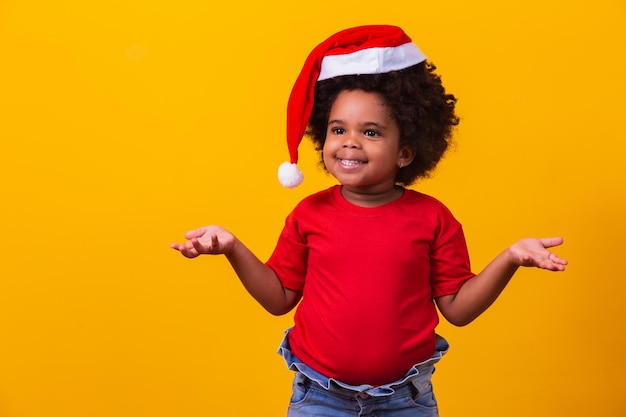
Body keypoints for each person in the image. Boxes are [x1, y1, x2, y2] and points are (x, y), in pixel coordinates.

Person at [171, 25, 567, 417]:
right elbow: (279, 299)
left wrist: (510, 258)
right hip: (319, 397)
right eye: (338, 129)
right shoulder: (309, 214)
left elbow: (458, 310)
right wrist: (232, 248)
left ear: (406, 152)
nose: (349, 142)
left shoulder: (433, 218)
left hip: (406, 400)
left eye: (371, 132)